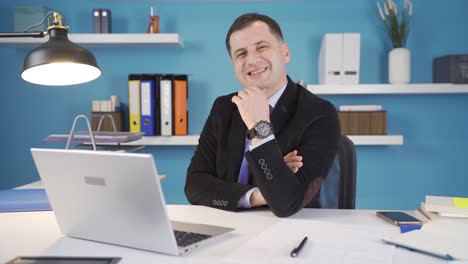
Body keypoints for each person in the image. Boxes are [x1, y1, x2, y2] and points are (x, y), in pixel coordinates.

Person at [185, 13, 340, 217]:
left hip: (286, 233)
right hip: (225, 224)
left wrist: (260, 129)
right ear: (234, 65)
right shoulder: (224, 107)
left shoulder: (319, 113)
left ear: (285, 53)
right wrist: (260, 193)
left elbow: (287, 202)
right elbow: (194, 185)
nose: (252, 60)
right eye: (241, 54)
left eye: (262, 47)